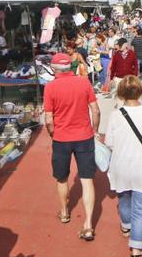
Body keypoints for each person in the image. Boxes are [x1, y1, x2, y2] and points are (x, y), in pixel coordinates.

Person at [103, 75, 142, 257]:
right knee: (141, 208)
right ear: (141, 92)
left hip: (121, 164)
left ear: (120, 93)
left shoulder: (115, 115)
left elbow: (109, 142)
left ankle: (126, 225)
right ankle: (136, 247)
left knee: (123, 197)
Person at [43, 53, 101, 241]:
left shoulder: (50, 87)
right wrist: (95, 130)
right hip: (84, 136)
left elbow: (49, 119)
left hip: (61, 138)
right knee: (87, 179)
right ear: (71, 67)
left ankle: (64, 212)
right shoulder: (84, 82)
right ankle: (89, 224)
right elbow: (95, 109)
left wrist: (53, 133)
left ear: (53, 69)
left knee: (61, 178)